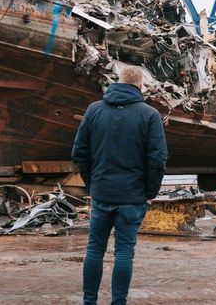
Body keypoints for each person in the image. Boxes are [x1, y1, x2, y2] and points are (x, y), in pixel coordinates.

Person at [72, 66, 168, 305]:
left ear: (118, 81)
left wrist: (93, 184)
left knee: (95, 250)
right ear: (141, 86)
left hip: (102, 194)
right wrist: (150, 193)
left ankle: (89, 301)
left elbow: (79, 153)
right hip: (133, 198)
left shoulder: (94, 110)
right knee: (124, 253)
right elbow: (157, 159)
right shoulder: (149, 114)